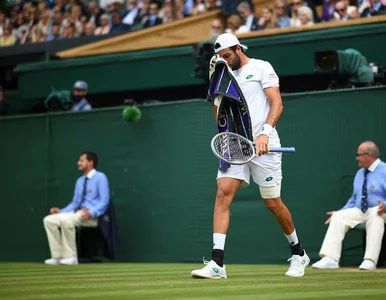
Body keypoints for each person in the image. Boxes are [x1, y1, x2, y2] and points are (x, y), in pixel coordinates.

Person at [191, 33, 309, 279]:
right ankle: (217, 264)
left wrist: (264, 134)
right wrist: (232, 137)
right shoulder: (223, 75)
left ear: (237, 48)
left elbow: (277, 104)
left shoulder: (262, 67)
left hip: (265, 144)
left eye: (227, 55)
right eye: (220, 57)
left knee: (272, 204)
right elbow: (218, 112)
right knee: (223, 194)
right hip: (236, 146)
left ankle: (299, 254)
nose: (224, 60)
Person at [312, 141, 386, 270]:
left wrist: (384, 205)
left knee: (376, 216)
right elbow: (354, 199)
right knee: (338, 217)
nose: (357, 158)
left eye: (359, 154)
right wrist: (340, 211)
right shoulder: (360, 173)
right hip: (359, 210)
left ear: (369, 155)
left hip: (379, 210)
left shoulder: (384, 170)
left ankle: (370, 260)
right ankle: (330, 258)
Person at [43, 152, 110, 265]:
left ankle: (71, 257)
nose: (78, 163)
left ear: (90, 163)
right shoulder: (80, 181)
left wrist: (91, 212)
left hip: (92, 216)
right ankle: (57, 256)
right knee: (49, 220)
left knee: (67, 221)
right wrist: (61, 211)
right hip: (77, 213)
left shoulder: (101, 177)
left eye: (81, 160)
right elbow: (75, 203)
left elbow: (104, 201)